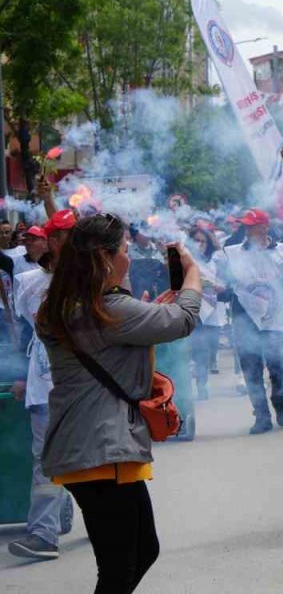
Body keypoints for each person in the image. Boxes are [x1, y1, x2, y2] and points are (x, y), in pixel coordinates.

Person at [38, 213, 201, 592]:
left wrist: (145, 313)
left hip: (94, 447)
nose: (129, 257)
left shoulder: (75, 304)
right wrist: (193, 273)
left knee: (142, 551)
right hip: (100, 448)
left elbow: (114, 335)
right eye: (124, 250)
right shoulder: (107, 308)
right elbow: (183, 320)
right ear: (105, 258)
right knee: (117, 569)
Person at [5, 212, 77, 561]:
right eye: (56, 237)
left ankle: (110, 521)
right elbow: (23, 330)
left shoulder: (89, 279)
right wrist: (23, 375)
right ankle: (44, 534)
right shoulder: (28, 282)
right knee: (45, 460)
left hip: (83, 388)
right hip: (43, 386)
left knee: (88, 457)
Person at [213, 208, 283, 434]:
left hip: (275, 316)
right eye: (246, 226)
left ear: (264, 227)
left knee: (278, 366)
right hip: (245, 316)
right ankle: (261, 415)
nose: (248, 230)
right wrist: (222, 288)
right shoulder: (232, 252)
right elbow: (226, 282)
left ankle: (279, 400)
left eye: (252, 226)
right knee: (251, 368)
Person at [187, 226, 227, 400]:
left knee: (209, 348)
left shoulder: (216, 259)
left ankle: (203, 378)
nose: (200, 244)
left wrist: (221, 286)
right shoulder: (186, 260)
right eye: (196, 240)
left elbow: (225, 281)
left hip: (213, 308)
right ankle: (201, 385)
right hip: (194, 307)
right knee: (199, 348)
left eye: (203, 241)